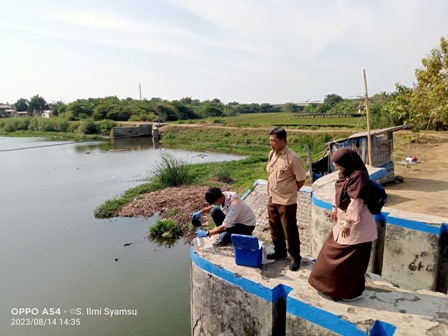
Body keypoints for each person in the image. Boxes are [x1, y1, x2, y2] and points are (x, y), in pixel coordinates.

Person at [308, 147, 378, 301]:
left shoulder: (359, 176)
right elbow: (338, 193)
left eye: (339, 165)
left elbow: (356, 203)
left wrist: (348, 223)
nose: (337, 168)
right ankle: (330, 288)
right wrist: (334, 208)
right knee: (330, 254)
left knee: (350, 264)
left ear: (348, 162)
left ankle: (347, 293)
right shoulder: (344, 174)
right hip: (342, 222)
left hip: (356, 227)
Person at [266, 127, 306, 271]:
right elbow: (270, 174)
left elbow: (301, 180)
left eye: (274, 141)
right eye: (270, 141)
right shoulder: (272, 154)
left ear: (283, 141)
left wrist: (290, 191)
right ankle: (280, 251)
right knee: (274, 226)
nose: (271, 144)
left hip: (287, 200)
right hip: (273, 197)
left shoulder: (292, 158)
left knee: (289, 229)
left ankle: (295, 257)